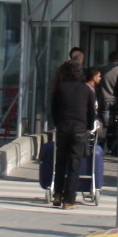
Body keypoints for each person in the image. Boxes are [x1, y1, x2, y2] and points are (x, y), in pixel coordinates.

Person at [48, 61, 98, 208]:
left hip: (63, 126)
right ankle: (69, 200)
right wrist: (89, 127)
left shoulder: (61, 88)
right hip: (79, 128)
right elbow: (91, 112)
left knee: (60, 162)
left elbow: (54, 110)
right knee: (74, 165)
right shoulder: (87, 90)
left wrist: (58, 124)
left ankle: (57, 194)